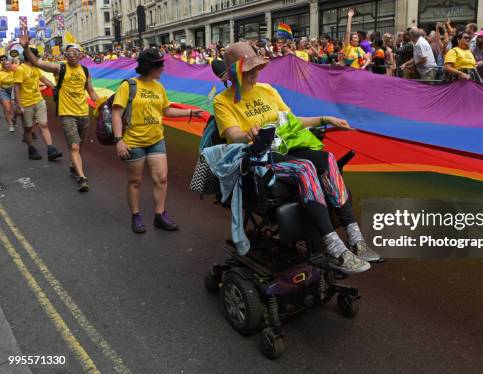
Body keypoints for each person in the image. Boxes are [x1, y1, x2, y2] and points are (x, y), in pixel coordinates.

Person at [213, 42, 379, 274]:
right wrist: (247, 134)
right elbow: (233, 136)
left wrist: (325, 118)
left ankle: (355, 238)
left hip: (285, 146)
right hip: (259, 157)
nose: (254, 72)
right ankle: (334, 248)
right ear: (233, 74)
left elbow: (291, 122)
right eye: (247, 69)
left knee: (327, 159)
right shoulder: (222, 101)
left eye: (255, 68)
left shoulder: (268, 90)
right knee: (305, 168)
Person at [112, 48, 203, 233]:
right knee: (135, 181)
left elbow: (166, 110)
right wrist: (119, 140)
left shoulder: (159, 87)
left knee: (161, 178)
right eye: (159, 65)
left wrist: (189, 112)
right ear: (149, 66)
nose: (163, 68)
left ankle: (160, 215)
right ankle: (136, 216)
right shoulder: (128, 86)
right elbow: (116, 112)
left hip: (156, 140)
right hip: (133, 141)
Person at [21, 36, 99, 191]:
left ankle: (73, 165)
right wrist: (25, 48)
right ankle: (82, 178)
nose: (71, 55)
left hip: (83, 113)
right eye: (69, 53)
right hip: (67, 114)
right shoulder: (59, 68)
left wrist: (103, 104)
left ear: (81, 55)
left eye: (75, 53)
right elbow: (37, 63)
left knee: (80, 144)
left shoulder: (85, 70)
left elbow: (90, 91)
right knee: (75, 146)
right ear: (65, 55)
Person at [13, 47, 62, 161]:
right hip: (26, 104)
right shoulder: (21, 69)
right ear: (30, 56)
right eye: (36, 56)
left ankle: (51, 149)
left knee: (43, 124)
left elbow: (44, 79)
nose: (38, 58)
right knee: (29, 128)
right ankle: (31, 148)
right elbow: (16, 89)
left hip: (39, 100)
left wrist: (56, 88)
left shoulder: (36, 69)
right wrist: (19, 105)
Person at [0, 57, 15, 133]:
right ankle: (10, 125)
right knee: (8, 109)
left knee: (13, 110)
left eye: (9, 64)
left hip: (14, 92)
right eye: (6, 64)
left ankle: (11, 118)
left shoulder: (14, 72)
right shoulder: (1, 74)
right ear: (3, 65)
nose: (8, 65)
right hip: (3, 92)